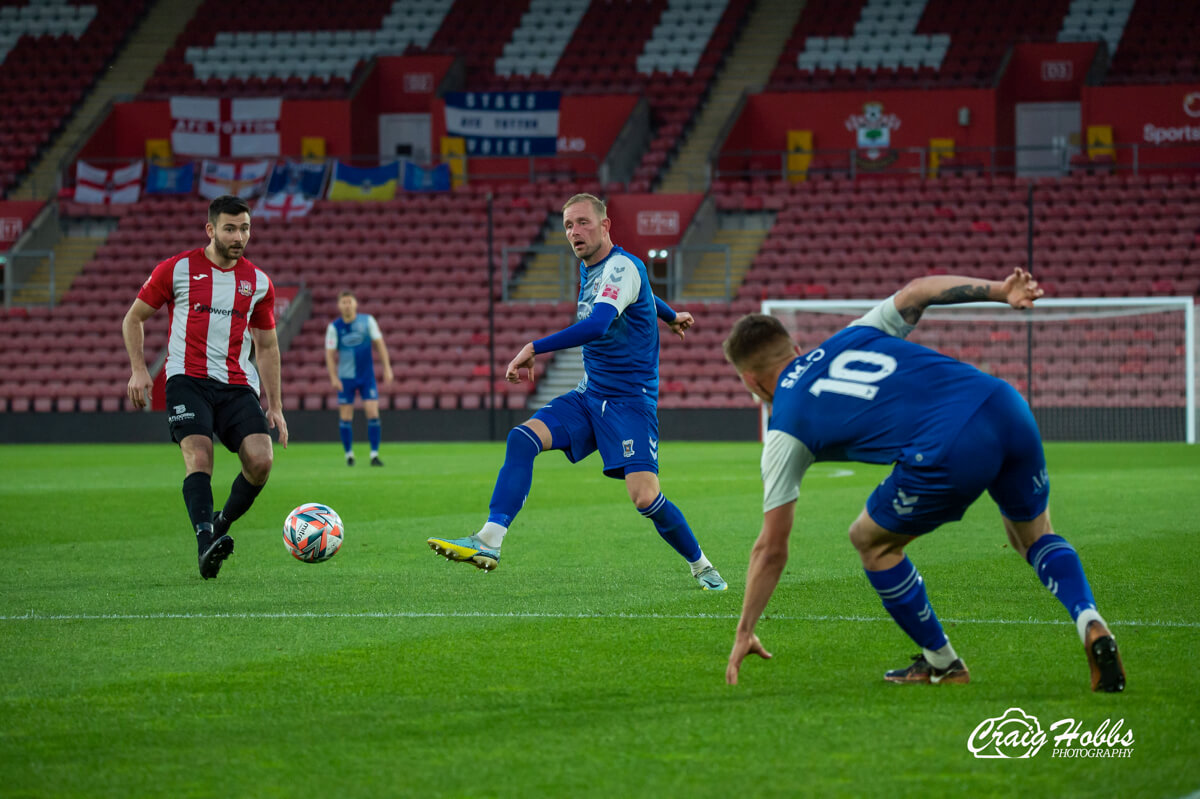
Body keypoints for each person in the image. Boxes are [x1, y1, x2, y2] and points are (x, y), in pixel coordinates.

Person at [722, 268, 1125, 692]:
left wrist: (745, 628)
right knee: (1033, 534)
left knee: (871, 540)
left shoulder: (785, 426)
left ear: (750, 380)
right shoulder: (850, 336)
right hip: (1004, 404)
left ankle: (944, 663)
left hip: (948, 444)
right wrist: (1000, 291)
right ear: (797, 348)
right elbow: (918, 291)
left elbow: (771, 549)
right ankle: (1089, 619)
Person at [426, 192, 727, 590]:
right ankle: (489, 540)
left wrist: (533, 347)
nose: (574, 232)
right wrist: (670, 316)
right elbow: (643, 294)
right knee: (522, 438)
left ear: (605, 226)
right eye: (568, 225)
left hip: (629, 404)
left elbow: (599, 323)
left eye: (583, 222)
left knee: (645, 499)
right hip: (589, 397)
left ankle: (702, 565)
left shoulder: (621, 265)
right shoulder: (595, 268)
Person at [122, 194, 288, 580]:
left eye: (245, 228)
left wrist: (275, 405)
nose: (239, 236)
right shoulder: (177, 269)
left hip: (235, 384)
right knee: (200, 458)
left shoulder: (259, 283)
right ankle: (204, 545)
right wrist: (139, 370)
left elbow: (266, 346)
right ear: (211, 229)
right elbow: (134, 319)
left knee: (261, 462)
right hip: (187, 380)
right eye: (230, 228)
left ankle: (220, 524)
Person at [325, 290, 394, 466]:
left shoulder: (367, 321)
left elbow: (380, 345)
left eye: (350, 302)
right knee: (346, 416)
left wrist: (387, 368)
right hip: (346, 377)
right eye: (344, 302)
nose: (347, 305)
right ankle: (349, 455)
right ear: (339, 305)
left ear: (355, 304)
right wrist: (333, 377)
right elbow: (330, 354)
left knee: (372, 412)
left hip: (366, 376)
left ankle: (374, 454)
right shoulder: (334, 327)